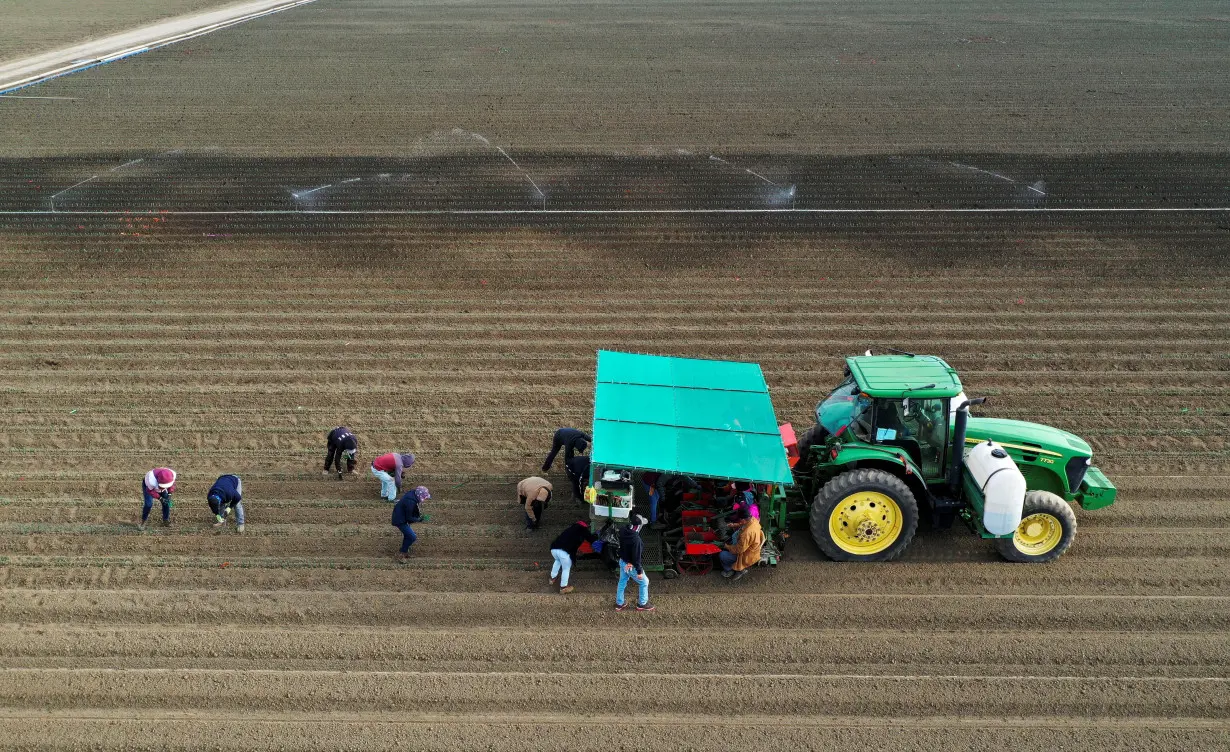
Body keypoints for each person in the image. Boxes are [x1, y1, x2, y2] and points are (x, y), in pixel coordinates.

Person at [615, 514, 654, 611]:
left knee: (622, 582)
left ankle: (619, 603)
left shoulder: (623, 530)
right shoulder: (636, 540)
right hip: (630, 566)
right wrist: (639, 571)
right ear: (639, 526)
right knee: (645, 582)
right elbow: (636, 558)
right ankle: (642, 604)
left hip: (622, 561)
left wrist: (627, 559)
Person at [549, 519, 598, 594]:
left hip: (554, 549)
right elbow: (591, 539)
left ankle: (552, 578)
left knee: (558, 560)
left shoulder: (570, 529)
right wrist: (597, 538)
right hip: (564, 552)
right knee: (566, 568)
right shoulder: (583, 529)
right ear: (585, 526)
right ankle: (563, 587)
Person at [720, 509, 765, 582]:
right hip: (752, 549)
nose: (739, 521)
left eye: (740, 519)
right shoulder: (753, 520)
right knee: (734, 538)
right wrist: (734, 525)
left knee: (722, 555)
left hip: (746, 555)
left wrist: (727, 547)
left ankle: (733, 570)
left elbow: (739, 550)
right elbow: (744, 524)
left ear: (743, 519)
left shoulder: (746, 534)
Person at [392, 485, 430, 561]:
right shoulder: (410, 502)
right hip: (400, 520)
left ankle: (404, 551)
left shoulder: (413, 494)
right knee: (412, 537)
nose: (424, 499)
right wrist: (419, 519)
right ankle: (400, 555)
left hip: (401, 516)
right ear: (420, 495)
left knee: (408, 536)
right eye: (424, 497)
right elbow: (409, 517)